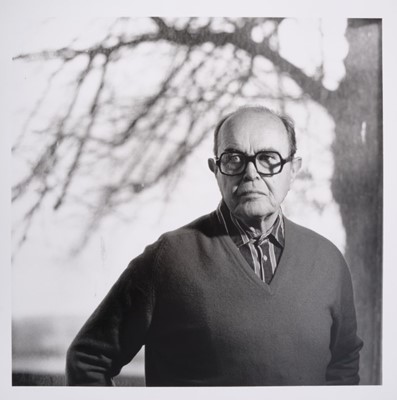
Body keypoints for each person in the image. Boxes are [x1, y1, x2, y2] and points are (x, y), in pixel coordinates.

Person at [66, 105, 363, 386]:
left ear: (293, 169)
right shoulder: (167, 260)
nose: (251, 173)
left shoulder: (328, 261)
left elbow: (344, 366)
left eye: (268, 158)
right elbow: (88, 359)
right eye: (234, 159)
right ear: (216, 169)